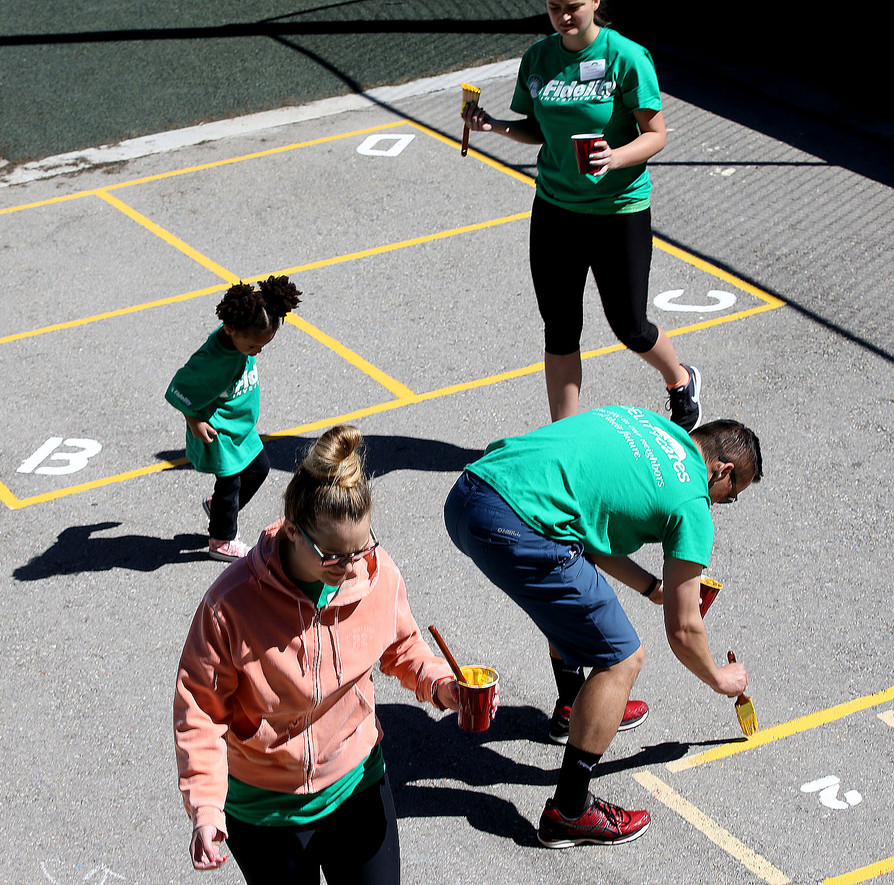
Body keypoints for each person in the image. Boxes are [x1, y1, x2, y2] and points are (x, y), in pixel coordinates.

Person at [443, 405, 762, 847]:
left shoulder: (645, 422)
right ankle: (569, 811)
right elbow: (685, 630)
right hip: (516, 527)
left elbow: (587, 532)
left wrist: (652, 586)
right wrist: (719, 678)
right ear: (722, 471)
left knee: (573, 599)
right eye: (730, 495)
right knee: (622, 658)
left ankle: (574, 709)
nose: (721, 504)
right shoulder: (693, 502)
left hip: (471, 492)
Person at [175, 425, 465, 883]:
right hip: (265, 809)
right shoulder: (230, 605)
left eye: (360, 548)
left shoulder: (373, 572)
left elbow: (401, 644)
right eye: (333, 555)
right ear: (292, 530)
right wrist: (206, 808)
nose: (350, 567)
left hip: (357, 783)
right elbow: (200, 713)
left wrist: (440, 684)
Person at [461, 0, 701, 430]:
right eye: (554, 7)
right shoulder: (539, 57)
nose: (563, 16)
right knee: (560, 328)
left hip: (618, 211)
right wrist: (493, 125)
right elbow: (537, 128)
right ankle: (563, 438)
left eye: (573, 6)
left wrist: (616, 156)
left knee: (630, 326)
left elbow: (657, 134)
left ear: (595, 2)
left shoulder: (625, 57)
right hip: (555, 211)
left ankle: (679, 379)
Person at [165, 276, 300, 561]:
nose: (257, 352)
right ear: (229, 330)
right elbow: (179, 387)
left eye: (263, 346)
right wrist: (194, 421)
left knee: (259, 469)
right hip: (220, 429)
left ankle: (220, 510)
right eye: (253, 347)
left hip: (240, 426)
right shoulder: (213, 361)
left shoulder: (241, 331)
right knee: (230, 482)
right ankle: (221, 540)